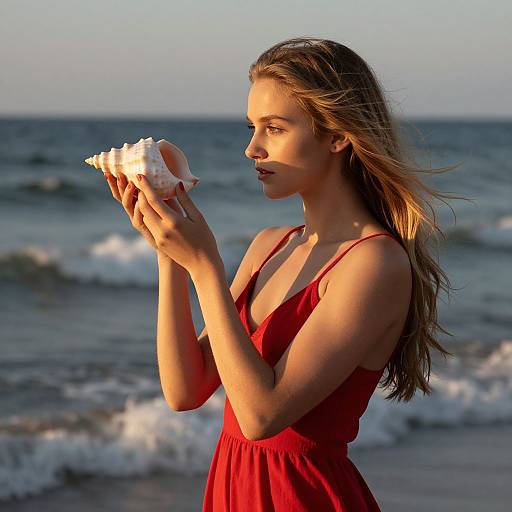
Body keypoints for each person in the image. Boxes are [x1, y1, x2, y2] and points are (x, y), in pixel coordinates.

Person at [105, 36, 463, 511]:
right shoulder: (269, 244)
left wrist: (206, 266)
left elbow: (260, 417)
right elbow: (184, 390)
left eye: (273, 128)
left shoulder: (375, 263)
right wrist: (169, 253)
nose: (252, 148)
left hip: (302, 497)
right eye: (252, 127)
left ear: (337, 136)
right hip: (233, 488)